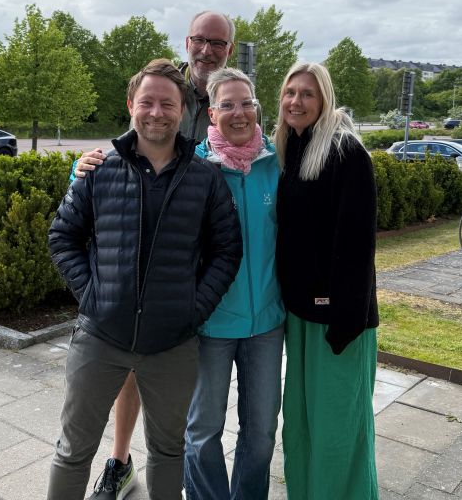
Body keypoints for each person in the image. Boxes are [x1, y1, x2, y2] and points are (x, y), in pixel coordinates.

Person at [47, 59, 243, 500]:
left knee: (169, 452)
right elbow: (63, 236)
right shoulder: (99, 169)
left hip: (173, 344)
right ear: (130, 105)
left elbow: (227, 251)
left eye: (167, 104)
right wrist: (92, 296)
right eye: (147, 102)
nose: (157, 112)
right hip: (100, 337)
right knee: (73, 451)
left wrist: (193, 309)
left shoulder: (206, 178)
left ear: (182, 110)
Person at [273, 61, 379, 500]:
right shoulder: (291, 148)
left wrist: (344, 321)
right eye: (290, 92)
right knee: (301, 425)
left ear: (324, 99)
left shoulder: (345, 152)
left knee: (337, 428)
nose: (296, 101)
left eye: (307, 94)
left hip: (338, 321)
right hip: (300, 316)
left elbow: (357, 244)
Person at [184, 68, 284, 500]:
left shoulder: (278, 163)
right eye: (227, 105)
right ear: (212, 113)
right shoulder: (193, 168)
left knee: (261, 432)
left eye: (247, 103)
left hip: (267, 323)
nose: (239, 113)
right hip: (211, 325)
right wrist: (79, 169)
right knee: (203, 431)